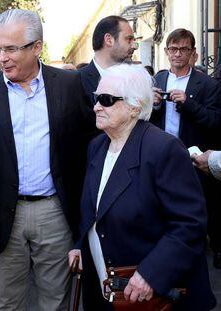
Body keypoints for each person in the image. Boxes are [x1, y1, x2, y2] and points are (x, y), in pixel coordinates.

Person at [0, 9, 95, 310]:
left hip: (55, 213)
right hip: (1, 214)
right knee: (8, 302)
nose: (1, 58)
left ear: (36, 48)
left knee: (56, 301)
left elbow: (89, 147)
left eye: (10, 49)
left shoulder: (70, 85)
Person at [68, 64, 215, 311]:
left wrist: (151, 274)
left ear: (135, 106)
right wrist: (81, 244)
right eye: (96, 99)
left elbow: (189, 224)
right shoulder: (97, 146)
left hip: (153, 296)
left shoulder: (164, 149)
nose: (96, 107)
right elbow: (95, 208)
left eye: (106, 100)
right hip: (108, 290)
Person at [150, 28, 221, 269]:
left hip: (192, 157)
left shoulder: (207, 84)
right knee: (161, 205)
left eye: (183, 49)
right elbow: (143, 117)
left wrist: (189, 103)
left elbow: (214, 122)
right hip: (160, 155)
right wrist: (154, 104)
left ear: (192, 53)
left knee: (194, 209)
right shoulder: (158, 80)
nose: (177, 54)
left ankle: (197, 255)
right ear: (166, 51)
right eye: (173, 49)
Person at [78, 15, 137, 105]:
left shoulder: (134, 80)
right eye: (129, 39)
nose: (134, 46)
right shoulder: (78, 81)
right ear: (109, 40)